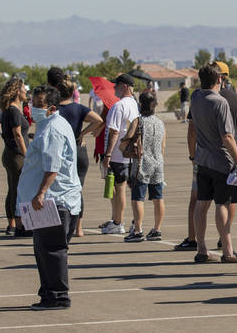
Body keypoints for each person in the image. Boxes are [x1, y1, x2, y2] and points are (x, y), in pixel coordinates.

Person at [17, 85, 81, 310]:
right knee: (42, 249)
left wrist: (41, 192)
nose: (33, 107)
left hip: (53, 200)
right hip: (49, 200)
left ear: (52, 108)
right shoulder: (48, 125)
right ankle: (47, 293)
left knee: (52, 249)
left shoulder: (53, 129)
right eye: (32, 103)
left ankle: (58, 296)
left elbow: (52, 166)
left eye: (38, 104)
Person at [188, 63, 237, 263]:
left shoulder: (195, 97)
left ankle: (202, 249)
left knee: (201, 204)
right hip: (222, 162)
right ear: (220, 80)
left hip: (202, 160)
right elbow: (228, 136)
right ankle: (228, 251)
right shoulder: (220, 102)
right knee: (222, 204)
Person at [55, 73, 103, 237]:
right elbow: (98, 120)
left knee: (59, 189)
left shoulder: (54, 110)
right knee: (77, 189)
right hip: (78, 149)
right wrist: (82, 133)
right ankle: (79, 227)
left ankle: (61, 224)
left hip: (61, 152)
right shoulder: (79, 108)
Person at [101, 74, 140, 235]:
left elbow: (114, 131)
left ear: (124, 86)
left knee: (119, 188)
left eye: (116, 86)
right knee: (129, 189)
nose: (114, 89)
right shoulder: (135, 105)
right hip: (131, 154)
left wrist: (108, 154)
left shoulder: (119, 106)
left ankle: (118, 221)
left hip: (118, 154)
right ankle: (132, 221)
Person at [124, 91, 166, 241]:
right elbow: (163, 146)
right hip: (158, 162)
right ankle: (157, 229)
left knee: (137, 198)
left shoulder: (138, 121)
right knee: (158, 197)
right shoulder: (159, 122)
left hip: (142, 163)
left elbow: (128, 137)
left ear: (141, 104)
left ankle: (137, 230)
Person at [0, 77, 29, 235]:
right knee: (18, 190)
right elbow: (17, 134)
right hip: (16, 155)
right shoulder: (14, 111)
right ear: (18, 91)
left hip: (10, 154)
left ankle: (12, 224)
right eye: (24, 89)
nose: (26, 92)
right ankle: (18, 225)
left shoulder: (10, 109)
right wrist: (26, 154)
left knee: (13, 189)